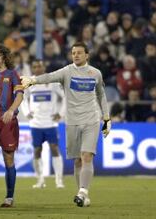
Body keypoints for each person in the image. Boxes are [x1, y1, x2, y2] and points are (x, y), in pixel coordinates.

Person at [21, 42, 111, 207]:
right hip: (72, 122)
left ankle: (83, 191)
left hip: (91, 120)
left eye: (79, 52)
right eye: (73, 53)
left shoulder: (95, 73)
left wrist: (106, 118)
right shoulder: (67, 71)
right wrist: (32, 80)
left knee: (87, 156)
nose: (75, 55)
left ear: (87, 55)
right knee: (77, 160)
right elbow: (48, 77)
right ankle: (82, 193)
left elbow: (101, 95)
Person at [20, 59, 65, 189]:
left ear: (43, 67)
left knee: (54, 149)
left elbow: (65, 97)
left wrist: (60, 114)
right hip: (36, 123)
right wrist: (27, 112)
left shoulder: (52, 81)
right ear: (32, 69)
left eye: (39, 66)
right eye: (35, 66)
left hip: (50, 122)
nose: (37, 68)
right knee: (37, 150)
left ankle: (58, 180)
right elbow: (22, 97)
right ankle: (40, 180)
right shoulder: (29, 82)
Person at [0, 44, 24, 208]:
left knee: (8, 159)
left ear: (4, 58)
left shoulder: (12, 74)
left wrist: (11, 110)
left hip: (7, 123)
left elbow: (20, 94)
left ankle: (9, 197)